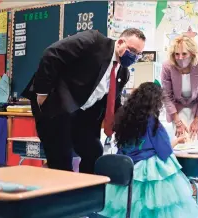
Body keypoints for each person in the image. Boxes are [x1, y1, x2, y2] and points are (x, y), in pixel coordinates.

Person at [21, 29, 146, 174]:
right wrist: (42, 92)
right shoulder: (94, 41)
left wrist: (130, 121)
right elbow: (52, 54)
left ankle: (86, 190)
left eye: (138, 54)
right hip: (55, 104)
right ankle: (62, 194)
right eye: (132, 50)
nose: (134, 56)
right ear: (120, 42)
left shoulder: (123, 73)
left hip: (81, 115)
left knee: (94, 151)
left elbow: (113, 103)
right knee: (61, 158)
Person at [101, 82, 198, 218]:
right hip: (149, 169)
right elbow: (164, 151)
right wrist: (178, 140)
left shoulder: (124, 118)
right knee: (156, 208)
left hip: (128, 168)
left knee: (130, 206)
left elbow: (122, 147)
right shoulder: (152, 122)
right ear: (155, 101)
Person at [161, 35, 198, 142]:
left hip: (197, 107)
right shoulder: (167, 66)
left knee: (195, 140)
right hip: (177, 107)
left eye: (184, 54)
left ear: (192, 53)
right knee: (181, 141)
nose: (180, 57)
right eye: (177, 54)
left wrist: (197, 120)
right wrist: (177, 121)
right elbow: (167, 96)